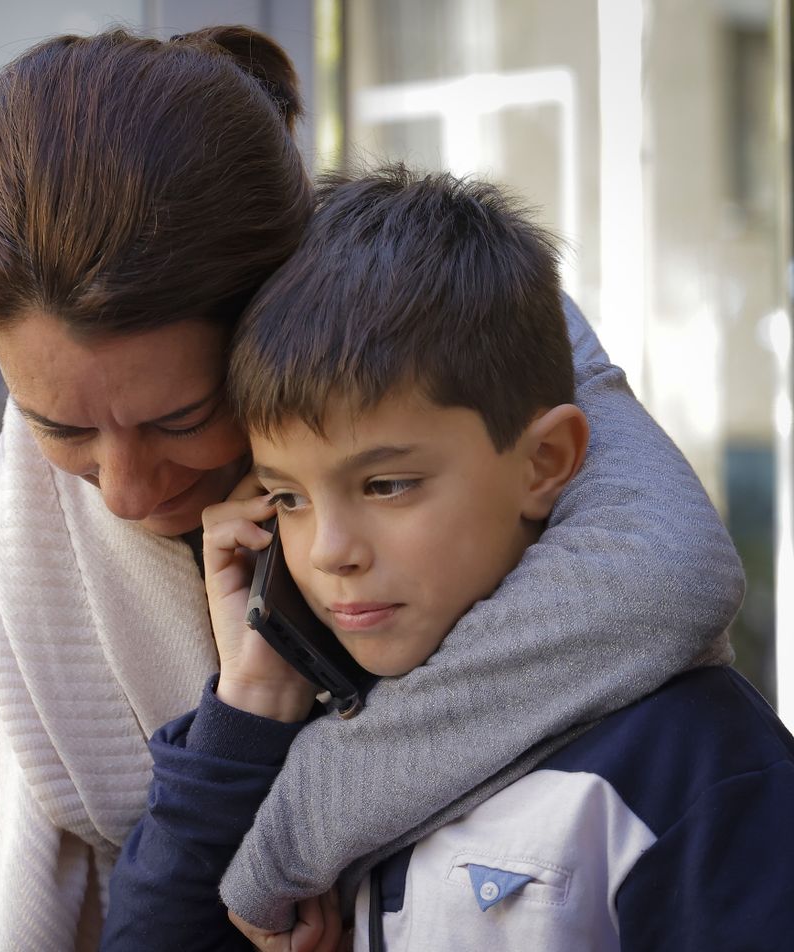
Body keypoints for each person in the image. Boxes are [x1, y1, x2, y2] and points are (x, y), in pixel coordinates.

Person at [0, 27, 742, 951]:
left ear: (273, 306)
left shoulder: (400, 321)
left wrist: (296, 823)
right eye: (61, 429)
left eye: (181, 419)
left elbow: (666, 570)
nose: (128, 494)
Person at [103, 166, 794, 951]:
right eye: (287, 497)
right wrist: (249, 706)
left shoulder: (692, 760)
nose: (329, 551)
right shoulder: (305, 736)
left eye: (387, 485)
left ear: (545, 462)